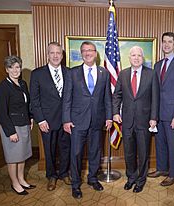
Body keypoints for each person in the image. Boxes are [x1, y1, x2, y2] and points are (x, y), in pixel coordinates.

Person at [62, 41, 112, 199]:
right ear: (81, 54)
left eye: (90, 50)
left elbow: (107, 99)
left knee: (95, 152)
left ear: (96, 53)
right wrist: (66, 120)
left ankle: (92, 178)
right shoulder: (72, 73)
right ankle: (76, 185)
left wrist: (109, 117)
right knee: (76, 153)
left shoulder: (104, 73)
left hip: (97, 120)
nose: (87, 53)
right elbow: (67, 98)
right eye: (84, 51)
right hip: (77, 122)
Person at [113, 46, 159, 193]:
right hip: (126, 121)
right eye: (133, 55)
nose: (136, 58)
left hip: (144, 121)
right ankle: (131, 178)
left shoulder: (151, 74)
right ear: (129, 57)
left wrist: (153, 118)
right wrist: (115, 112)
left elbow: (155, 99)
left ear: (142, 58)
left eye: (139, 55)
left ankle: (141, 180)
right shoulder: (123, 74)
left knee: (144, 153)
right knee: (129, 153)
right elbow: (117, 95)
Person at [148, 32, 174, 186]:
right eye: (164, 41)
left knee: (173, 145)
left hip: (173, 114)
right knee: (160, 143)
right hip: (158, 114)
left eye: (170, 42)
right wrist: (153, 115)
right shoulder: (158, 65)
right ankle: (162, 168)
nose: (166, 44)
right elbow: (155, 92)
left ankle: (173, 174)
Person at [30, 42, 71, 191]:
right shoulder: (37, 74)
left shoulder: (69, 73)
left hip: (66, 120)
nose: (55, 56)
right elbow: (34, 100)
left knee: (66, 148)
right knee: (49, 149)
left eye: (58, 53)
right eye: (52, 53)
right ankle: (52, 176)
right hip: (46, 121)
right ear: (47, 55)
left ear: (62, 55)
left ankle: (64, 173)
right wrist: (40, 119)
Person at [0, 56, 36, 195]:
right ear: (7, 70)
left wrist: (30, 118)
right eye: (11, 67)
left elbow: (27, 104)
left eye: (17, 67)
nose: (15, 70)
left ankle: (21, 179)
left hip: (24, 124)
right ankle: (15, 183)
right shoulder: (2, 87)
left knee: (22, 155)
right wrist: (11, 132)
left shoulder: (23, 83)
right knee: (13, 157)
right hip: (11, 127)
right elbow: (2, 113)